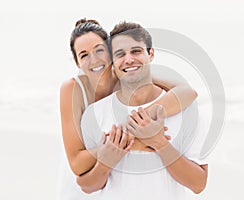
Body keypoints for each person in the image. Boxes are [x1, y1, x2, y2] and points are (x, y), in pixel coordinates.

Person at [58, 19, 198, 199]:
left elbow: (187, 92)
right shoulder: (72, 89)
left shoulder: (128, 73)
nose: (94, 60)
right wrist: (131, 143)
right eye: (84, 55)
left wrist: (135, 126)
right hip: (85, 180)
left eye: (99, 50)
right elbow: (77, 162)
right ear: (77, 63)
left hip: (114, 181)